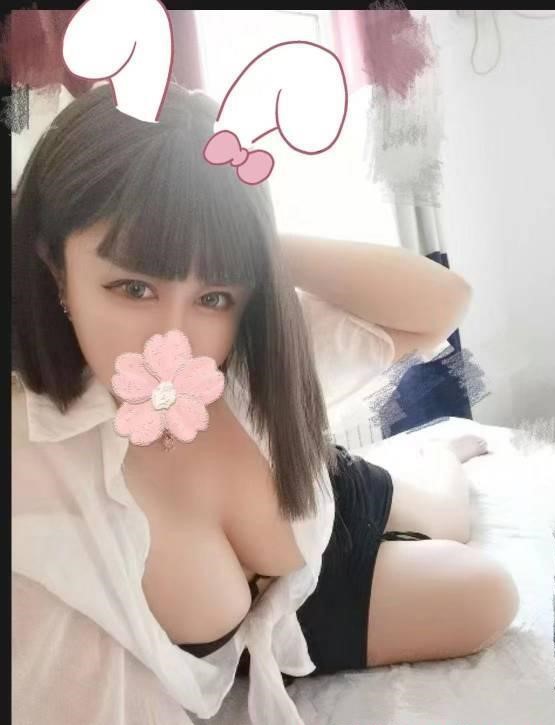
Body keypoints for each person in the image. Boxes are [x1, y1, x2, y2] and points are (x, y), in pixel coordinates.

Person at [11, 83, 519, 725]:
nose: (174, 336)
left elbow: (442, 304)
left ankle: (437, 458)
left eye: (212, 297)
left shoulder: (253, 348)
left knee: (451, 516)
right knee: (484, 596)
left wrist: (244, 238)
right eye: (133, 287)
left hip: (322, 493)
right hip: (297, 612)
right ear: (55, 267)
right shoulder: (33, 462)